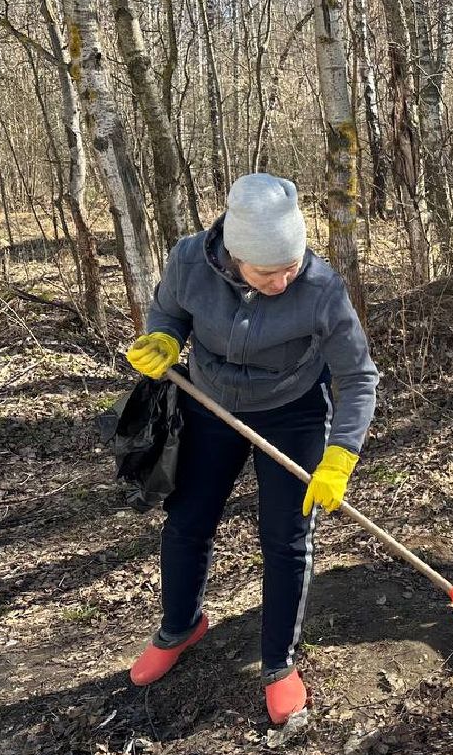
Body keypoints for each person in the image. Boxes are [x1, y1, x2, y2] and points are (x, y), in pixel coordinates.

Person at [122, 174, 378, 723]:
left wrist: (340, 456)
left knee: (286, 537)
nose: (284, 281)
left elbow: (357, 377)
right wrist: (164, 339)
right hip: (210, 405)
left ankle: (279, 664)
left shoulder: (321, 287)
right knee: (187, 520)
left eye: (291, 266)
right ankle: (180, 627)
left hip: (293, 411)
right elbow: (168, 311)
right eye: (268, 272)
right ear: (234, 254)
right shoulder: (190, 260)